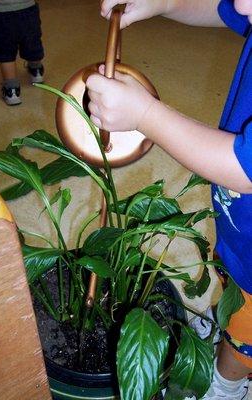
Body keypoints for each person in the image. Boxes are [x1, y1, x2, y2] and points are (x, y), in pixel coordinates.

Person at [86, 0, 252, 399]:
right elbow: (224, 8)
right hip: (242, 224)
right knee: (234, 277)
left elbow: (245, 167)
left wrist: (145, 116)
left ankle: (225, 383)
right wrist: (165, 2)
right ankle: (227, 312)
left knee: (246, 333)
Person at [0, 0, 45, 106]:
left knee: (6, 55)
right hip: (27, 9)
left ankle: (11, 91)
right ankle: (37, 71)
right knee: (32, 43)